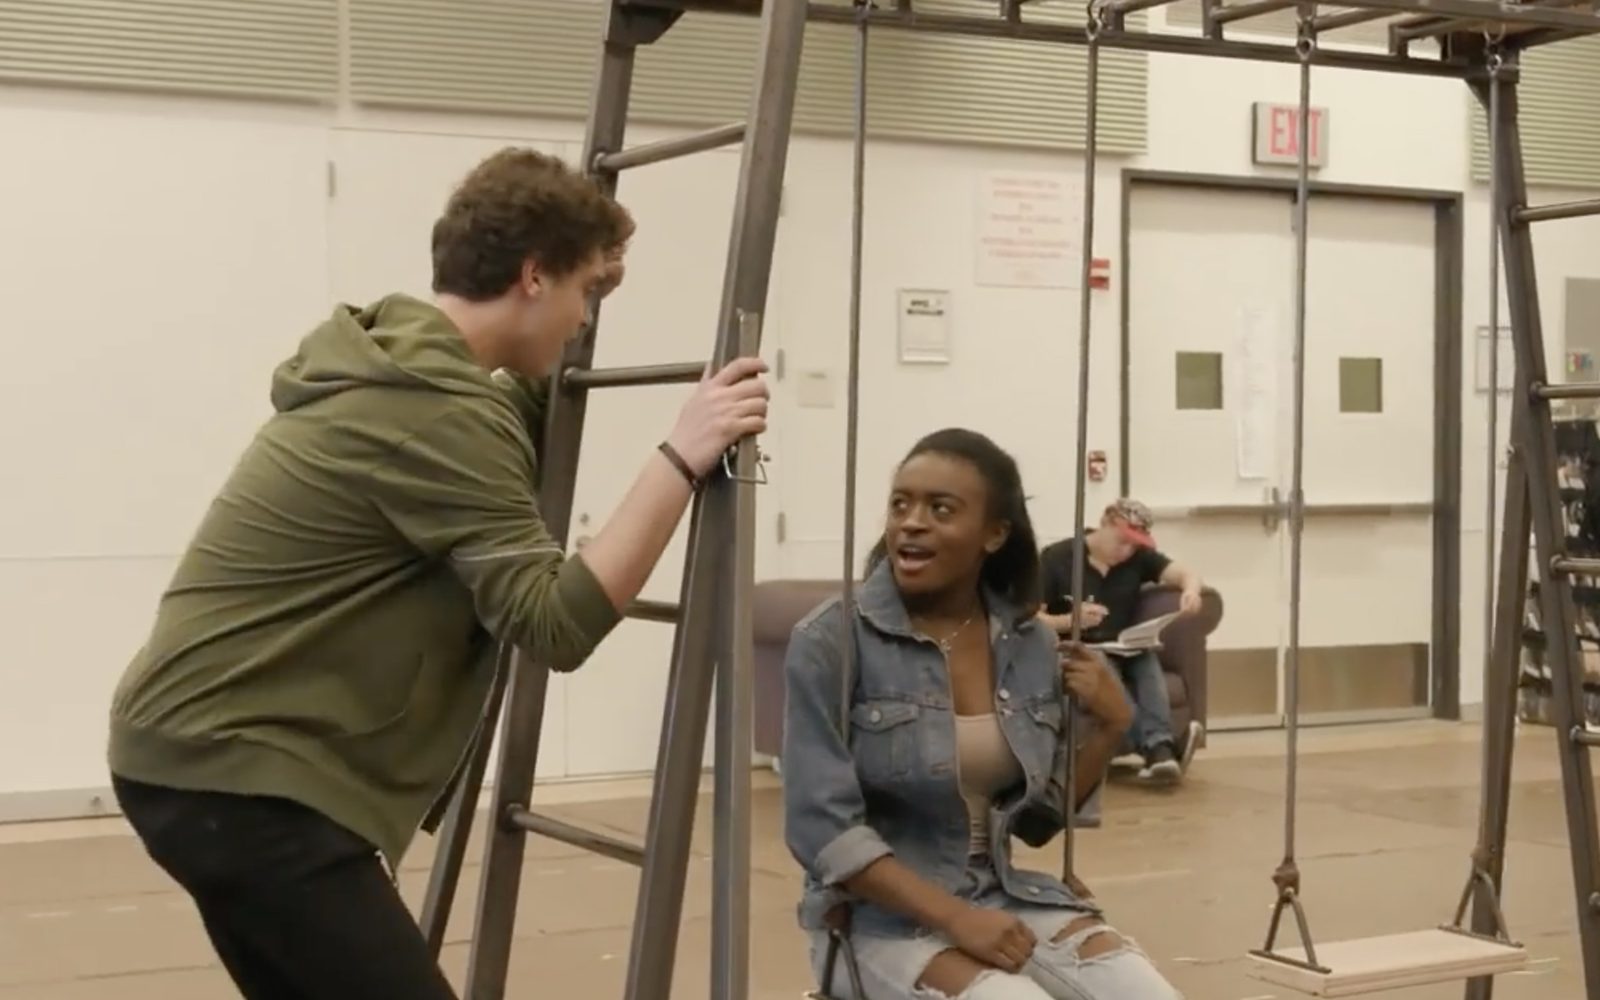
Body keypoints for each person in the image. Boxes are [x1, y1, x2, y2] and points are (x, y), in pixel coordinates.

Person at [104, 148, 769, 1000]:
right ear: (533, 275)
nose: (583, 320)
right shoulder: (435, 412)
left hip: (192, 759)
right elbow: (555, 624)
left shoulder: (404, 368)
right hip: (241, 780)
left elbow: (498, 438)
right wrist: (686, 450)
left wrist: (582, 312)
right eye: (580, 295)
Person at [782, 429, 1183, 1000]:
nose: (911, 522)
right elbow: (823, 831)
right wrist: (954, 920)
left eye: (940, 509)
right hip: (873, 924)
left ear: (994, 534)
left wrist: (1112, 725)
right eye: (901, 504)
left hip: (1004, 897)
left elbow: (1040, 822)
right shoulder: (831, 640)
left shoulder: (1029, 645)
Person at [1036, 500, 1205, 786]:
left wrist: (1192, 591)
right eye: (1122, 542)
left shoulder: (1139, 558)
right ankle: (1158, 750)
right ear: (1105, 524)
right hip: (1078, 647)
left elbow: (1185, 572)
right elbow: (1031, 617)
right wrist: (1070, 620)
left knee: (1146, 660)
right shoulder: (1058, 557)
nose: (1125, 551)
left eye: (1133, 545)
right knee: (1102, 668)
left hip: (1123, 645)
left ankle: (1159, 749)